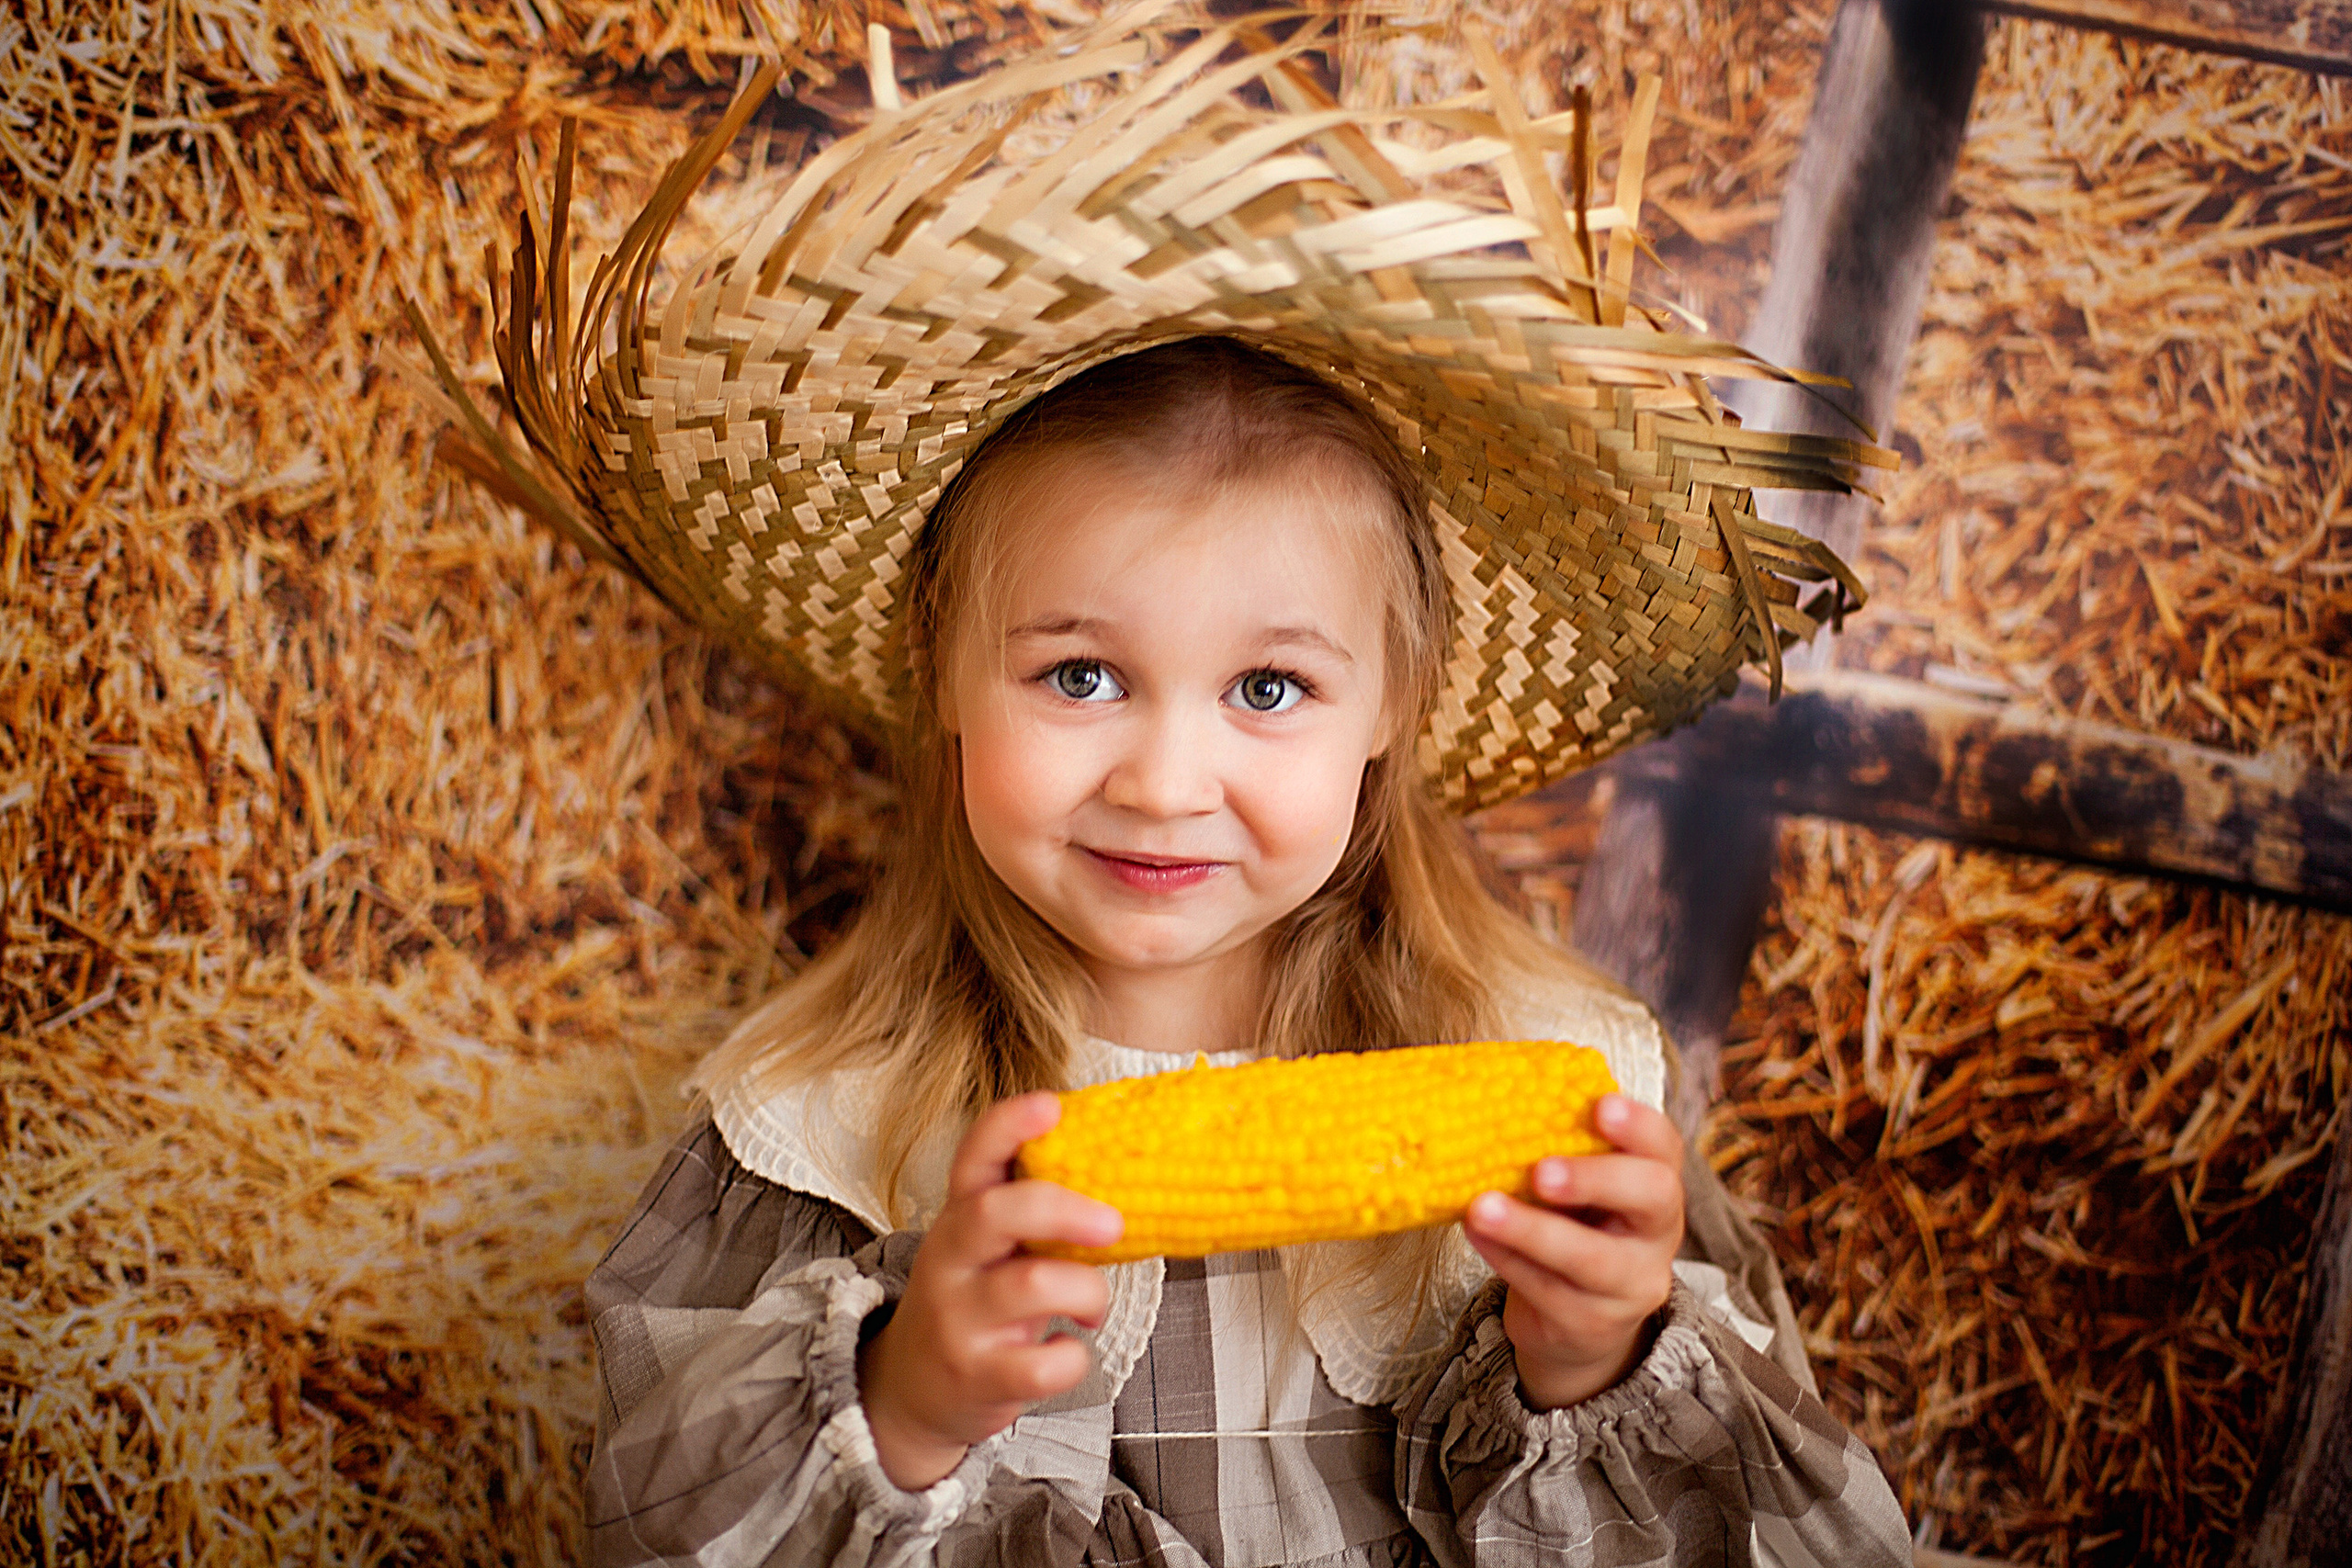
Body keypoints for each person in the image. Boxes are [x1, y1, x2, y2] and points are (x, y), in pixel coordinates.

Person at [413, 12, 1906, 1563]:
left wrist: (1594, 1361)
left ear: (1390, 709)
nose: (1166, 779)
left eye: (1269, 690)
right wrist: (903, 1408)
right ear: (943, 671)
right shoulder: (824, 1131)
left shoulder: (1557, 1082)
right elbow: (654, 1527)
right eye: (1078, 676)